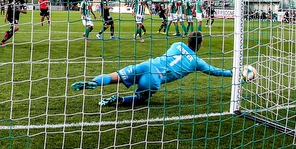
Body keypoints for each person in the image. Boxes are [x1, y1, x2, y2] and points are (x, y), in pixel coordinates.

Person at [71, 31, 234, 107]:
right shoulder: (198, 62)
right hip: (155, 78)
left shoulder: (177, 44)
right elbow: (215, 71)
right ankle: (119, 100)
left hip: (147, 65)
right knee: (140, 99)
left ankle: (94, 82)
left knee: (115, 76)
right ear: (199, 44)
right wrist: (232, 73)